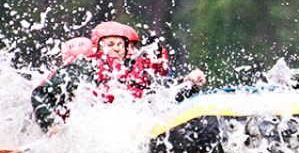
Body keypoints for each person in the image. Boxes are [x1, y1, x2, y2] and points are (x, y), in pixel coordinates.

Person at [31, 21, 206, 133]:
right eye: (110, 44)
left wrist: (189, 83)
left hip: (131, 133)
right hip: (86, 134)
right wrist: (51, 124)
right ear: (98, 47)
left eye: (120, 45)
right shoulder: (83, 68)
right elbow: (39, 94)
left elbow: (164, 95)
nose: (116, 49)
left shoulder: (137, 71)